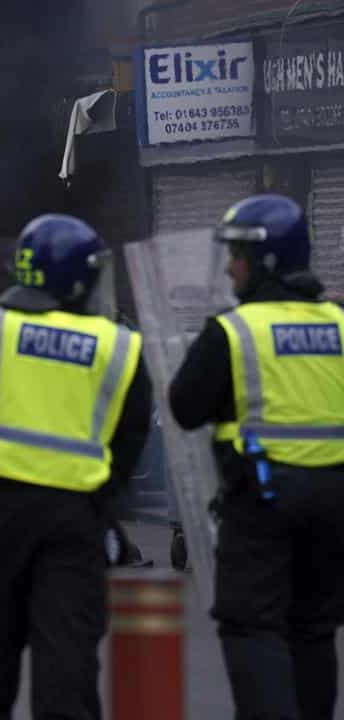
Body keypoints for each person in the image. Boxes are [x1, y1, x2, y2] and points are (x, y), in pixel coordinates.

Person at [0, 214, 152, 720]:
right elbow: (132, 433)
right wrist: (101, 490)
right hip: (75, 522)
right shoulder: (116, 345)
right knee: (68, 670)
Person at [169, 194, 344, 720]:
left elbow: (185, 407)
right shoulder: (339, 323)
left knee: (253, 625)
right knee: (313, 628)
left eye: (238, 254)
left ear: (266, 260)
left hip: (262, 502)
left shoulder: (234, 331)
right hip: (335, 503)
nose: (229, 265)